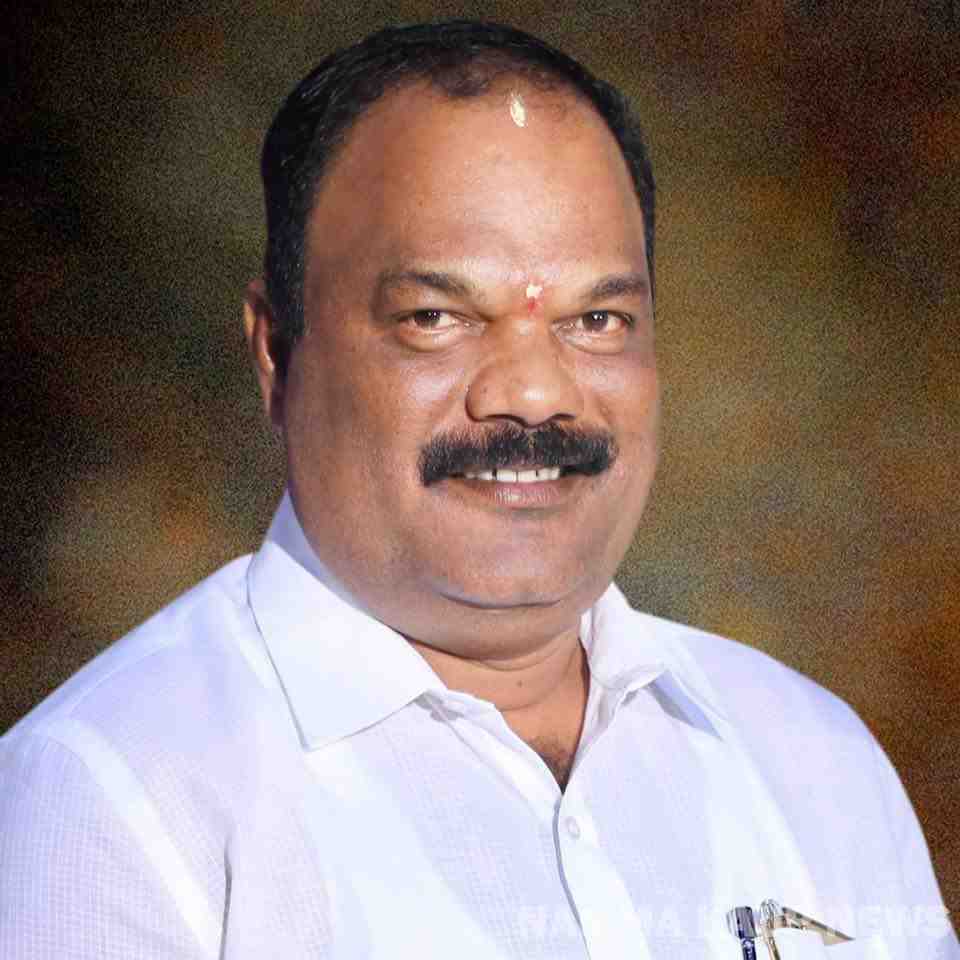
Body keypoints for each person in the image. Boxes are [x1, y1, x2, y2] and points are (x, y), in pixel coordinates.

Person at [0, 20, 955, 960]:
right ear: (277, 351)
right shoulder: (108, 804)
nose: (534, 392)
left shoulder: (810, 760)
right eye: (436, 316)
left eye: (597, 319)